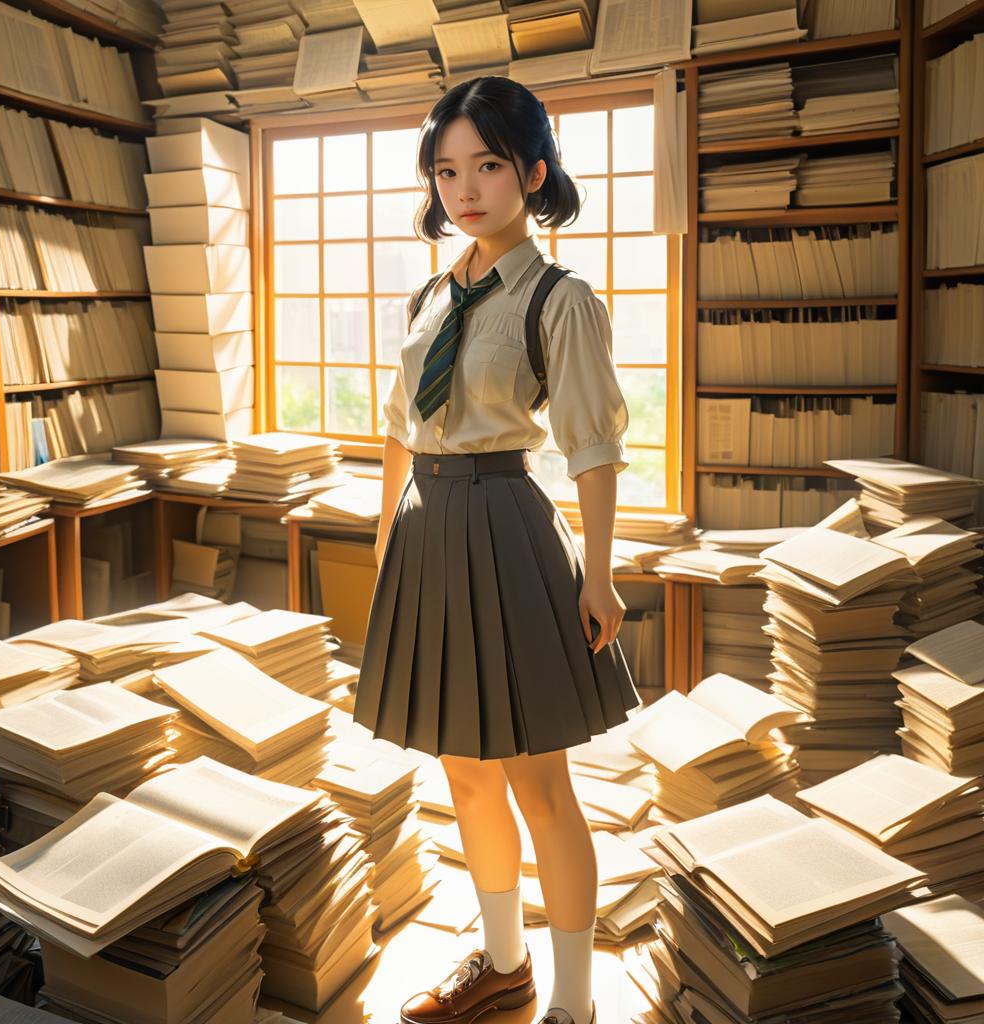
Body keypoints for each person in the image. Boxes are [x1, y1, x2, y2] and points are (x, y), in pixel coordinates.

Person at [352, 74, 640, 1024]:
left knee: (540, 783)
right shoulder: (430, 295)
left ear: (532, 172)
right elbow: (398, 422)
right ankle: (504, 964)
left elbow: (594, 446)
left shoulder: (560, 298)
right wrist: (387, 533)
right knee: (463, 769)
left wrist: (597, 572)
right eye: (446, 170)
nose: (464, 188)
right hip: (427, 535)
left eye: (486, 165)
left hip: (508, 528)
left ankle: (573, 1003)